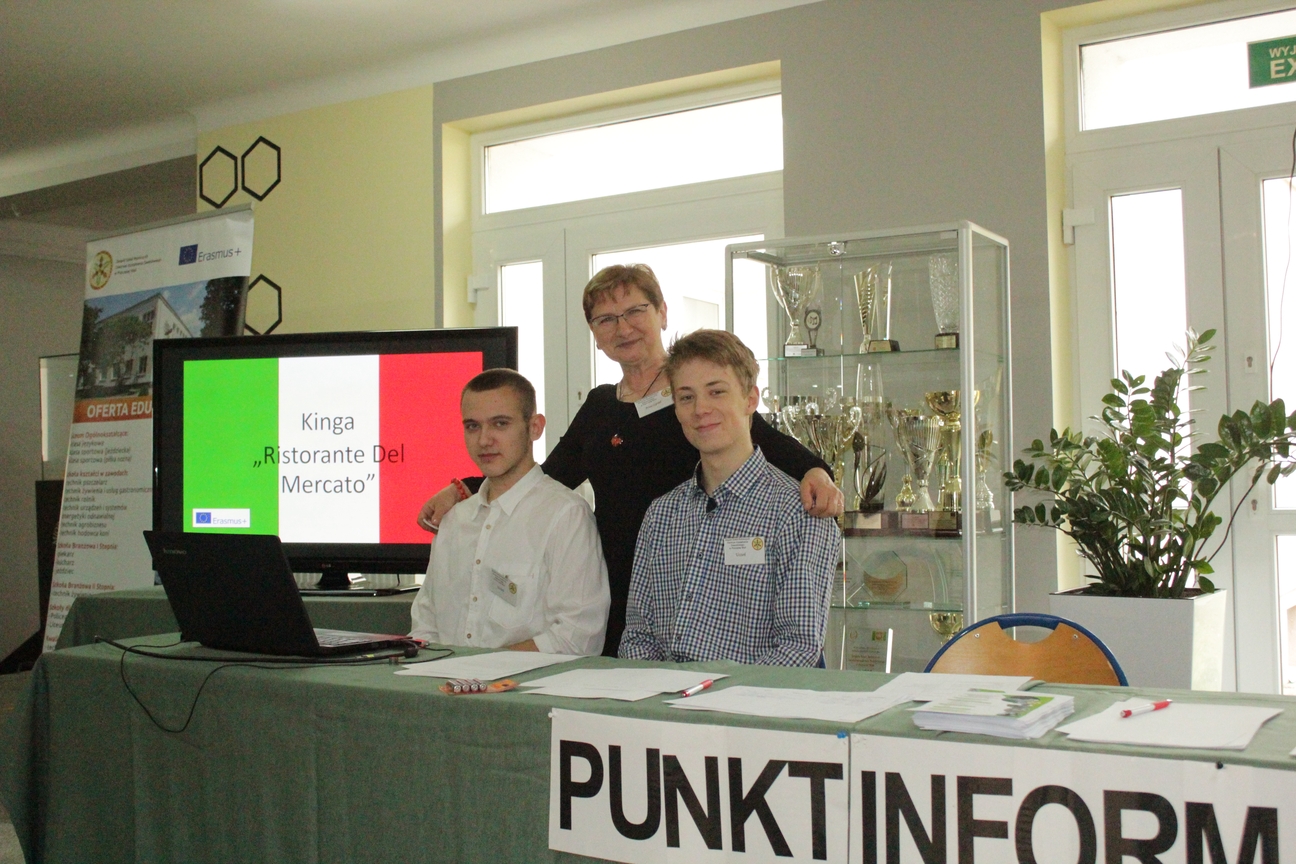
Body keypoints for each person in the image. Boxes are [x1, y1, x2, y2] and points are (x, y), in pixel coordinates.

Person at [417, 264, 843, 655]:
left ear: (662, 313)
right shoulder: (600, 406)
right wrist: (466, 489)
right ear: (595, 333)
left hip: (699, 584)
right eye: (606, 319)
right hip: (618, 589)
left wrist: (817, 473)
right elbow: (545, 476)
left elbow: (770, 444)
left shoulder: (695, 396)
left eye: (635, 311)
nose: (622, 328)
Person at [619, 330, 840, 665]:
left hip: (751, 696)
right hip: (662, 695)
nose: (701, 409)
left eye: (716, 392)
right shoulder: (661, 515)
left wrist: (711, 691)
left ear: (750, 399)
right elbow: (638, 637)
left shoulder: (798, 514)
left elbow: (798, 648)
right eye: (686, 397)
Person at [409, 368, 609, 655]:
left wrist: (481, 670)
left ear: (535, 428)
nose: (484, 440)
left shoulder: (565, 515)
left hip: (528, 683)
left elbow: (578, 637)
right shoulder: (454, 520)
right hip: (444, 680)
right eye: (472, 426)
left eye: (500, 424)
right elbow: (424, 625)